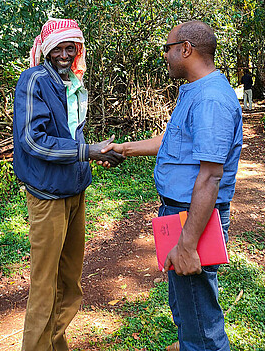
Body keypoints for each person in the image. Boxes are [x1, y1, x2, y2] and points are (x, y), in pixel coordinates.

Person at [102, 20, 243, 351]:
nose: (165, 55)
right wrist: (125, 148)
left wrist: (188, 244)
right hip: (177, 213)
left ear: (185, 49)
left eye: (167, 48)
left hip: (192, 217)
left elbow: (210, 176)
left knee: (202, 322)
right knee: (186, 309)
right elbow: (173, 141)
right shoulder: (195, 90)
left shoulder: (210, 99)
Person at [13, 18, 124, 351]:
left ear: (77, 49)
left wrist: (93, 154)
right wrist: (86, 151)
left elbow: (71, 136)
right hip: (48, 197)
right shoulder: (34, 81)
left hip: (75, 192)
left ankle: (55, 344)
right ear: (46, 50)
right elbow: (33, 140)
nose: (64, 54)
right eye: (58, 48)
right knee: (45, 285)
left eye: (70, 48)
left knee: (71, 283)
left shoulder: (73, 83)